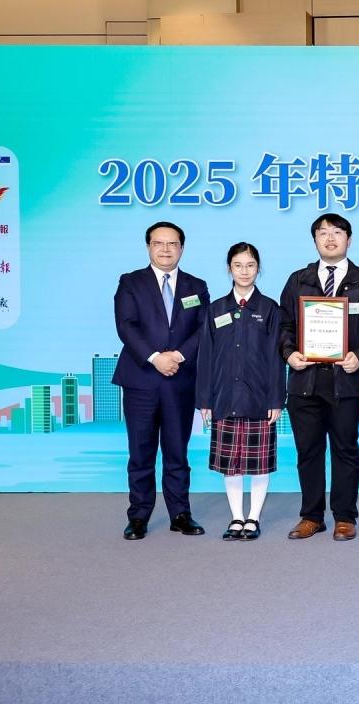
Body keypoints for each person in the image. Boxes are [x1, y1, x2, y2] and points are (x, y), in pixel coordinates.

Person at [279, 214, 359, 542]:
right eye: (323, 233)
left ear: (349, 239)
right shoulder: (298, 280)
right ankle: (311, 516)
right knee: (308, 450)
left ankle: (345, 517)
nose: (330, 238)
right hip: (305, 379)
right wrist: (289, 353)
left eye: (337, 232)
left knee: (345, 448)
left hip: (346, 379)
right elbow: (284, 325)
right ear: (315, 240)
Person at [112, 221, 210, 540]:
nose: (165, 249)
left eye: (172, 244)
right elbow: (126, 325)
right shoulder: (131, 282)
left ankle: (180, 514)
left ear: (182, 248)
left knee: (177, 452)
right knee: (141, 453)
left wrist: (178, 356)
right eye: (158, 243)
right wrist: (156, 358)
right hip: (141, 379)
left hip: (180, 381)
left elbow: (204, 329)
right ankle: (139, 516)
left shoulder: (197, 286)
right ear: (148, 247)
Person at [196, 242, 284, 541]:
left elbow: (276, 358)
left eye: (250, 265)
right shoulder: (216, 309)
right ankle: (236, 517)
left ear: (258, 268)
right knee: (230, 464)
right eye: (238, 265)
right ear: (229, 269)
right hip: (223, 397)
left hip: (260, 397)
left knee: (259, 464)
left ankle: (253, 518)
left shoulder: (269, 309)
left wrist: (276, 399)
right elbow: (205, 356)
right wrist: (205, 399)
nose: (244, 271)